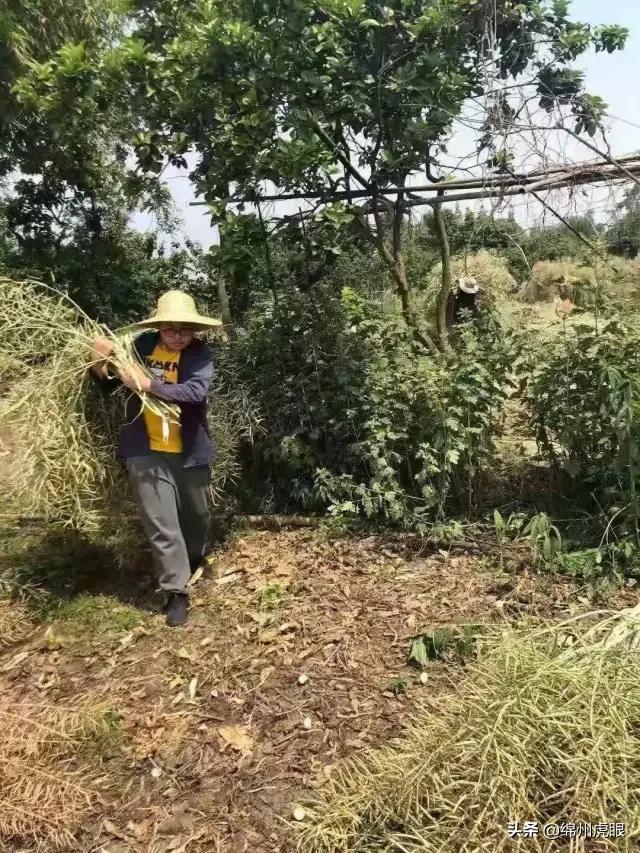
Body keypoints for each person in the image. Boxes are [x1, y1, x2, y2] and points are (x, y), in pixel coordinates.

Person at [91, 290, 221, 627]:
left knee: (197, 516)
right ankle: (176, 590)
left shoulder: (199, 354)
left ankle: (193, 558)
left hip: (189, 450)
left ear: (195, 330)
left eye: (185, 330)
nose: (178, 336)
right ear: (158, 327)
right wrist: (99, 361)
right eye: (170, 329)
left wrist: (148, 384)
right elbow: (108, 386)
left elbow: (194, 393)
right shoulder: (139, 347)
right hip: (145, 450)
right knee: (162, 522)